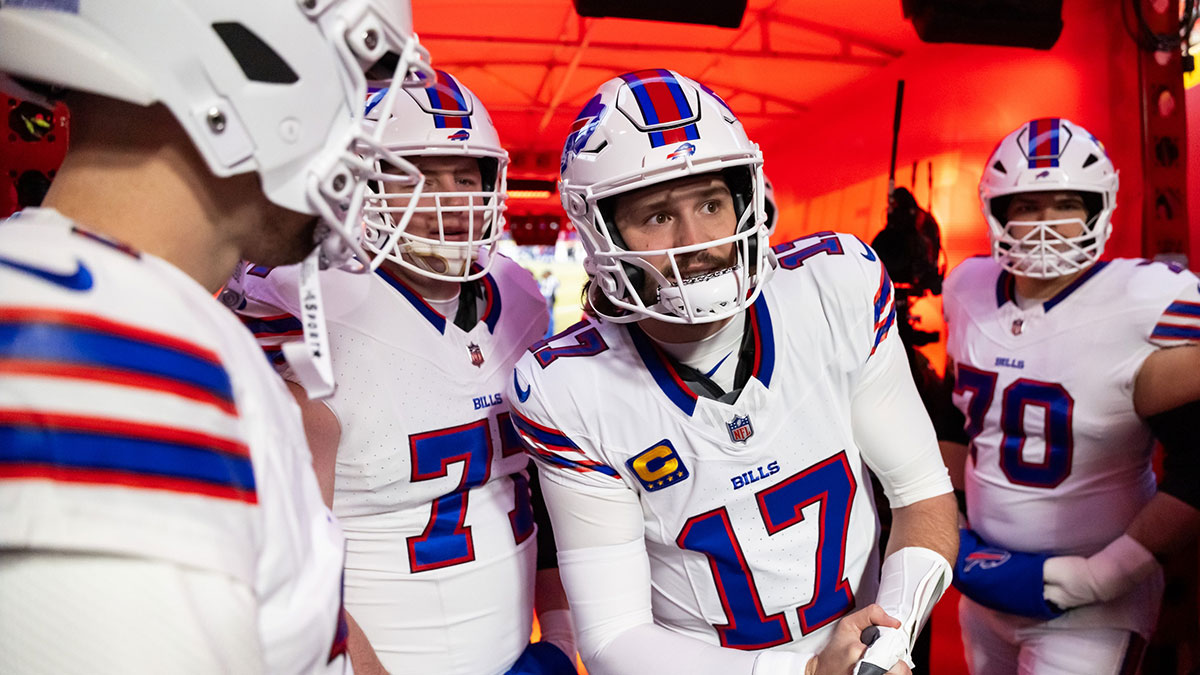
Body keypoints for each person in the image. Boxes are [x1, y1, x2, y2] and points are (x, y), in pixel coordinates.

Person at [0, 0, 429, 671]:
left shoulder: (138, 308)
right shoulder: (109, 338)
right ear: (260, 59)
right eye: (355, 70)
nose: (363, 130)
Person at [508, 68, 958, 675]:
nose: (697, 241)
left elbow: (922, 496)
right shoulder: (567, 388)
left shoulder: (836, 287)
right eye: (659, 216)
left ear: (745, 200)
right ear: (603, 232)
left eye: (712, 204)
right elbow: (614, 637)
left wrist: (887, 643)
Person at [234, 69, 577, 675]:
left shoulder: (521, 296)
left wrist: (558, 639)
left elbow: (546, 487)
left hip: (522, 657)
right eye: (412, 175)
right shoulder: (306, 302)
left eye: (464, 178)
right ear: (360, 187)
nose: (446, 202)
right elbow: (285, 566)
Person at [941, 117, 1200, 674]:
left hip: (1094, 600)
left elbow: (1199, 461)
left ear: (1098, 208)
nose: (1043, 225)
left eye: (1063, 203)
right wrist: (952, 520)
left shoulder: (1144, 298)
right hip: (985, 580)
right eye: (1026, 206)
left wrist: (1110, 572)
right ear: (997, 212)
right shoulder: (966, 288)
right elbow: (957, 418)